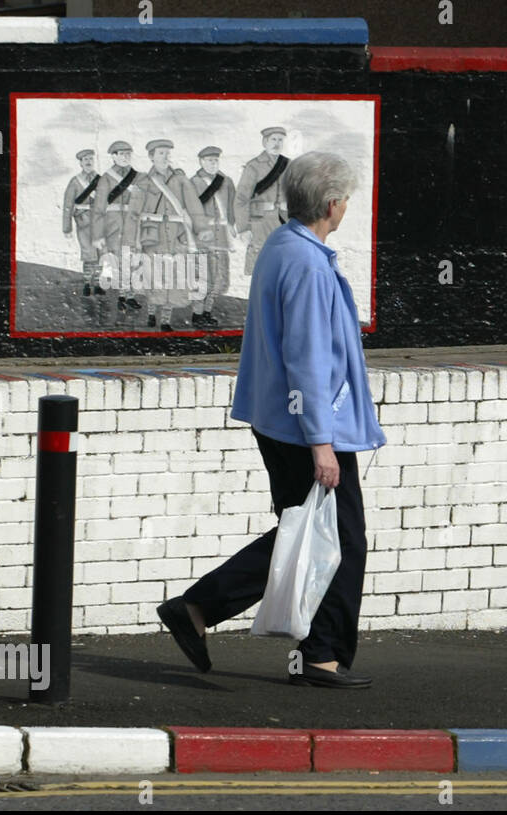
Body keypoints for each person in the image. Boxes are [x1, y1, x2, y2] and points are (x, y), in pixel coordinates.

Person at [157, 150, 385, 689]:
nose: (347, 206)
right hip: (304, 426)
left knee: (306, 530)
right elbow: (307, 357)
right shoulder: (306, 262)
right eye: (346, 199)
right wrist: (322, 443)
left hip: (279, 419)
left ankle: (208, 614)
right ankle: (315, 655)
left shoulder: (282, 246)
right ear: (333, 205)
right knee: (340, 539)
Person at [136, 139, 208, 332]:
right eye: (161, 153)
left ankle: (166, 320)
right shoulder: (143, 181)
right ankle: (151, 313)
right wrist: (131, 239)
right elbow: (134, 213)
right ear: (151, 156)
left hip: (176, 235)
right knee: (153, 277)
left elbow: (193, 205)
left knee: (173, 280)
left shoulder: (180, 179)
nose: (165, 156)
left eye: (168, 153)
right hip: (153, 236)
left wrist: (202, 228)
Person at [91, 140, 144, 317]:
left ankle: (128, 296)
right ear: (113, 156)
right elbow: (98, 208)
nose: (125, 157)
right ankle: (122, 296)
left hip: (132, 225)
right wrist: (97, 234)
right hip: (112, 226)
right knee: (116, 262)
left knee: (131, 262)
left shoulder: (138, 177)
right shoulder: (106, 178)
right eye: (121, 154)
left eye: (128, 153)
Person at [190, 146, 237, 329]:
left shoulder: (226, 181)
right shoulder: (193, 182)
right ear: (201, 161)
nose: (213, 163)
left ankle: (207, 312)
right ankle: (197, 313)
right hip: (203, 237)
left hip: (222, 237)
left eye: (215, 160)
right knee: (202, 277)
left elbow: (232, 206)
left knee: (219, 279)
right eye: (209, 160)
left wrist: (233, 226)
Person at [234, 126, 291, 275]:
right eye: (273, 139)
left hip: (283, 221)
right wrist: (243, 228)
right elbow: (241, 198)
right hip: (260, 223)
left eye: (280, 140)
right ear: (265, 142)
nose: (277, 143)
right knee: (259, 266)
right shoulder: (253, 166)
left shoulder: (289, 165)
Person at [61, 149, 102, 301]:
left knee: (100, 254)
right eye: (85, 159)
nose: (88, 161)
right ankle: (86, 284)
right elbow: (67, 205)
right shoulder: (75, 181)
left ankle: (97, 284)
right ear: (80, 163)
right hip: (83, 222)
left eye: (91, 158)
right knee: (88, 254)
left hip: (100, 222)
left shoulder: (102, 180)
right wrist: (67, 228)